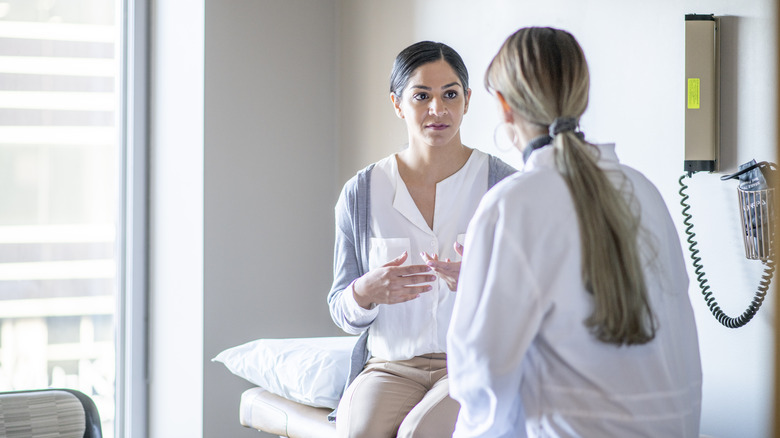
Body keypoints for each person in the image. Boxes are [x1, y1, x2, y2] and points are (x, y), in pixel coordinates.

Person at [447, 27, 703, 437]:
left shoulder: (512, 205)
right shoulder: (643, 190)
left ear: (503, 106)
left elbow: (481, 378)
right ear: (581, 96)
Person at [327, 41, 516, 438]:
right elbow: (341, 309)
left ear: (467, 99)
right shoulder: (361, 194)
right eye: (421, 96)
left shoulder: (503, 186)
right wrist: (364, 291)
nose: (438, 109)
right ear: (397, 103)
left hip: (470, 362)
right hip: (389, 366)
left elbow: (532, 301)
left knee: (418, 432)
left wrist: (482, 287)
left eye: (450, 94)